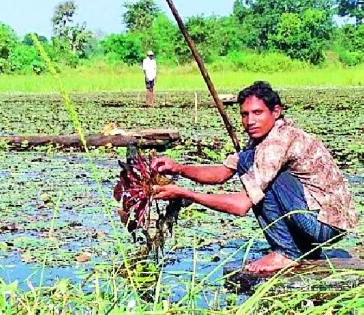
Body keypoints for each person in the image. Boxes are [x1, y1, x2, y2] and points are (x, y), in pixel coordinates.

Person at [152, 81, 358, 273]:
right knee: (246, 161)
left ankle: (287, 253)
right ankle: (304, 250)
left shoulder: (278, 142)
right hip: (317, 220)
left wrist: (186, 193)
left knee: (266, 183)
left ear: (276, 112)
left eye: (257, 113)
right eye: (244, 114)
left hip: (325, 225)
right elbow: (222, 172)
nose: (250, 121)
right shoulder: (261, 139)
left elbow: (242, 205)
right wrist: (178, 168)